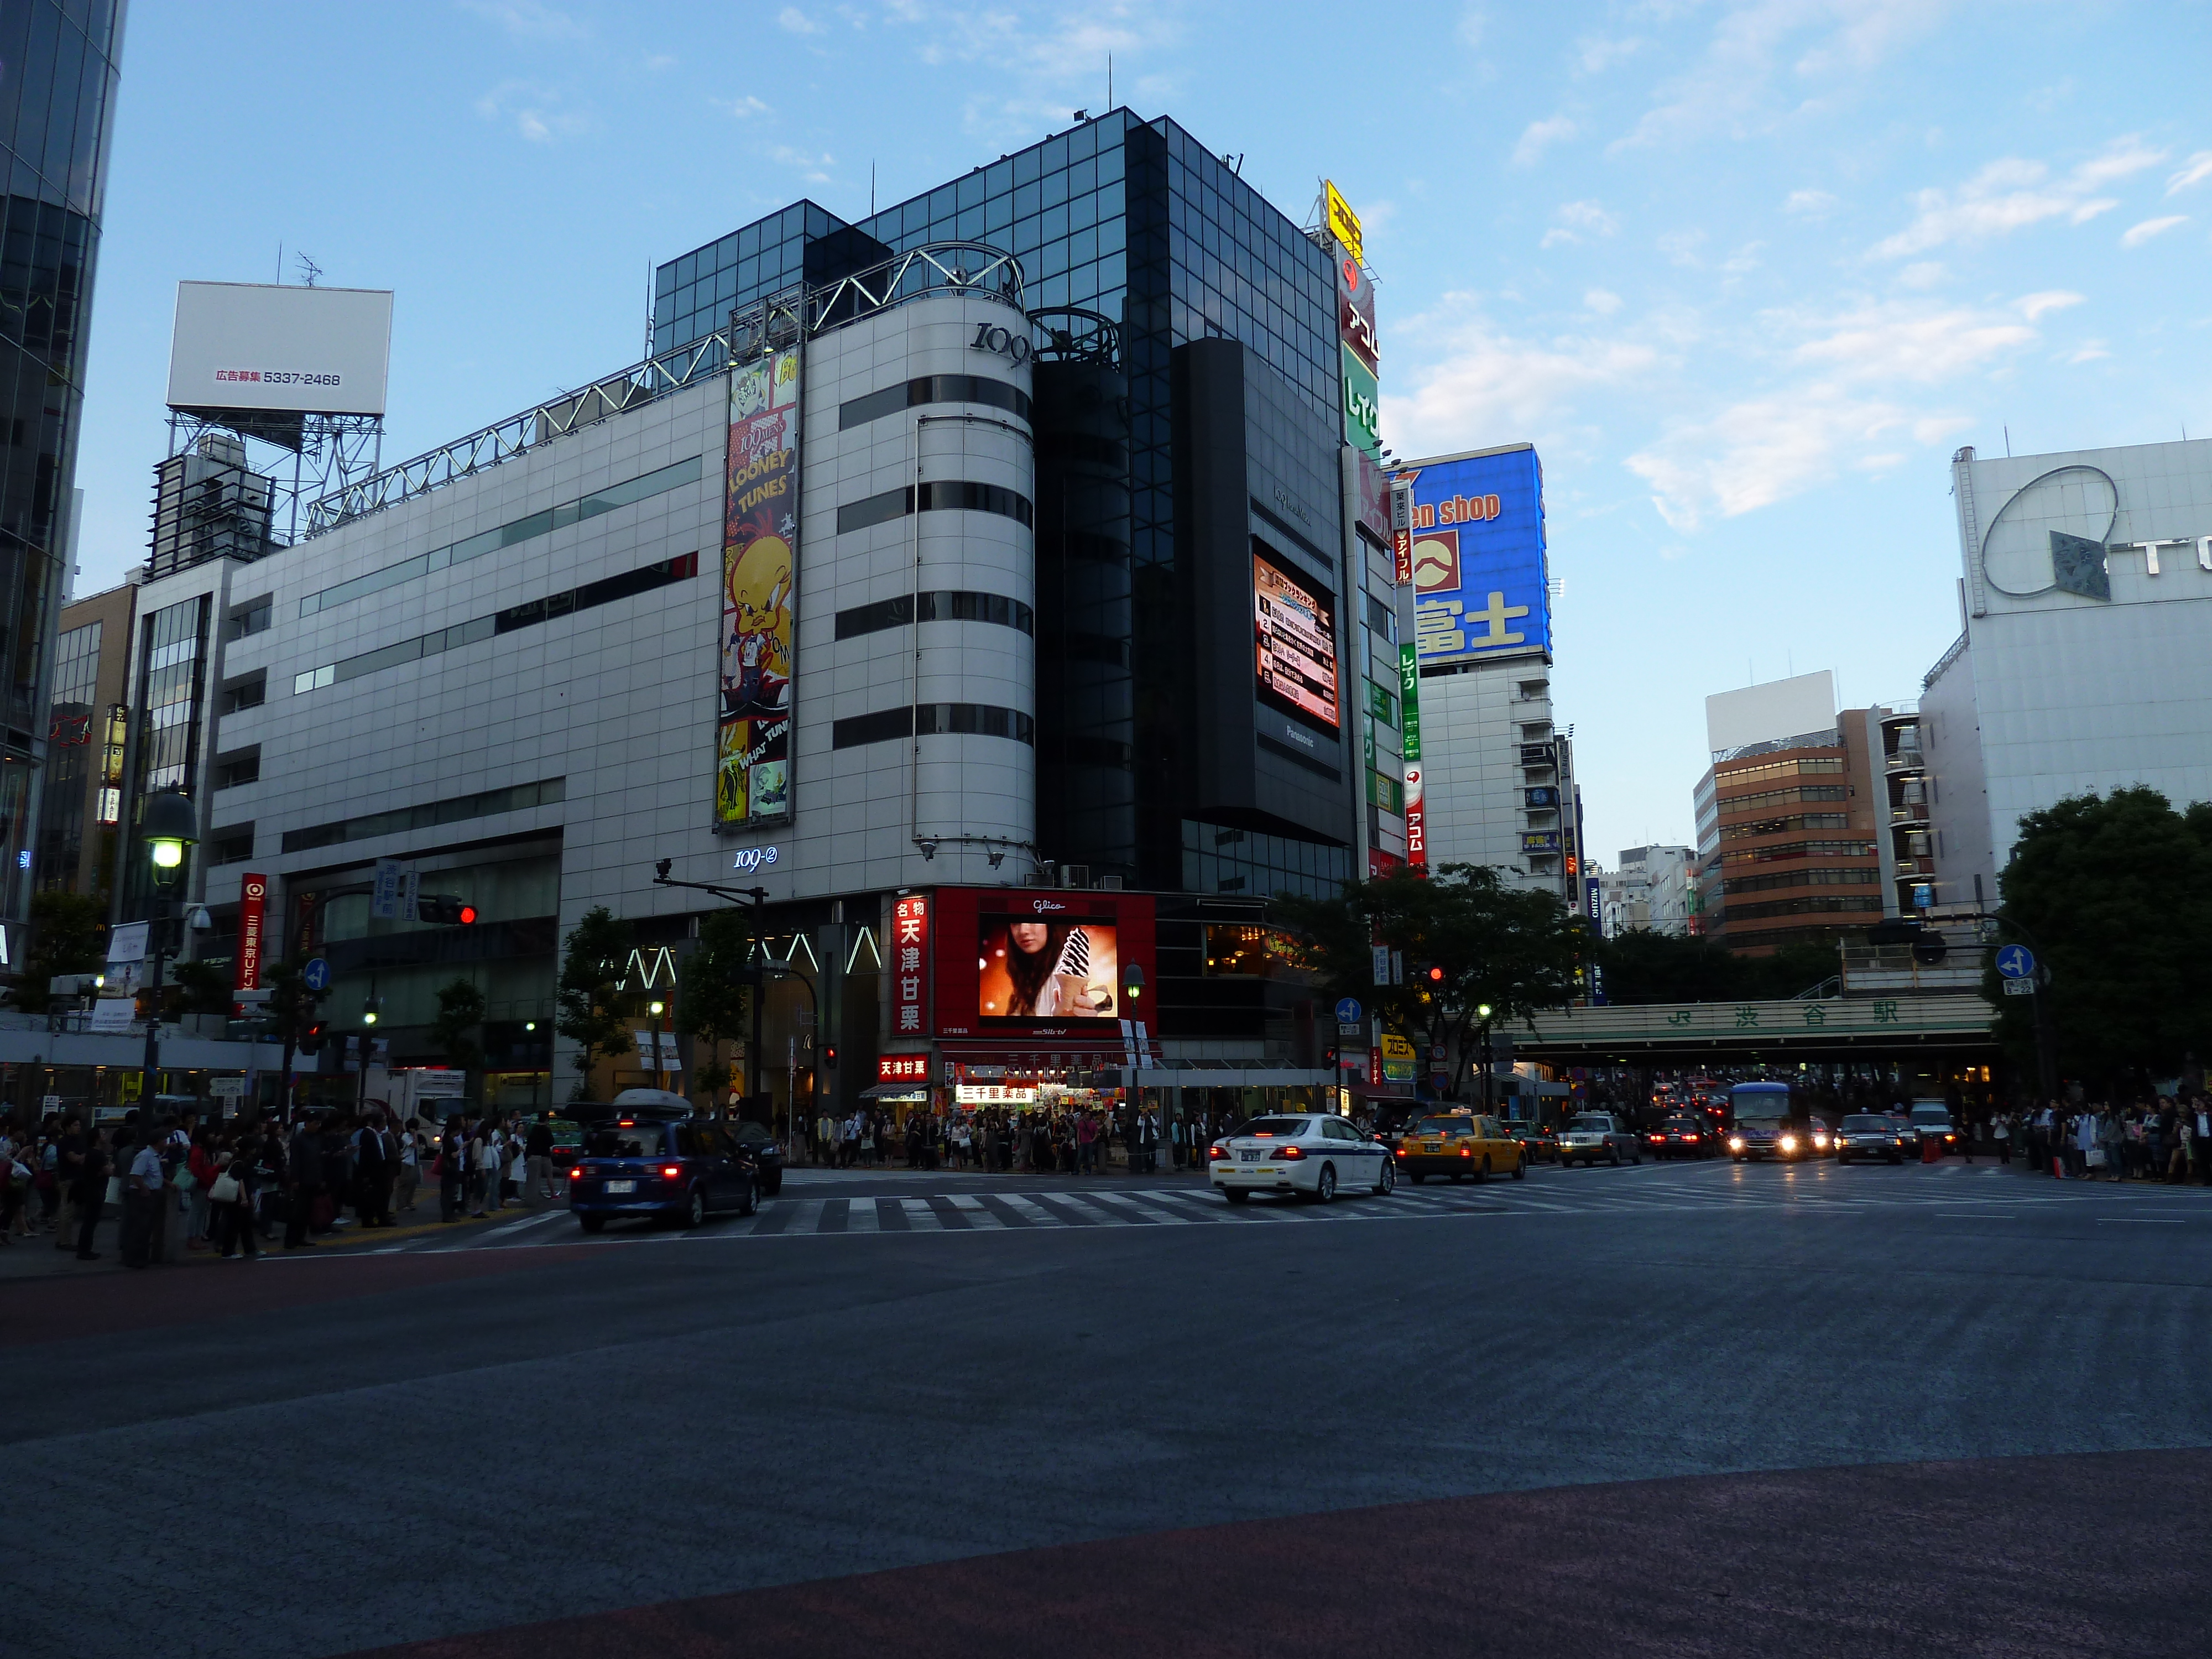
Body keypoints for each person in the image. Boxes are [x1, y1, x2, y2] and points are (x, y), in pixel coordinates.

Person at [119, 1130, 165, 1269]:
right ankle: (134, 1258)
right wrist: (144, 1189)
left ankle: (141, 1257)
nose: (166, 1144)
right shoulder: (146, 1155)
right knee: (140, 1227)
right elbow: (136, 1174)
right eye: (164, 1141)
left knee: (146, 1227)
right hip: (143, 1195)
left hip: (151, 1192)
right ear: (158, 1142)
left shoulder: (154, 1156)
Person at [524, 1117, 554, 1204]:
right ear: (546, 1120)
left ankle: (531, 1198)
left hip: (534, 1155)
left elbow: (529, 1141)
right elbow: (551, 1142)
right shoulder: (547, 1130)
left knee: (533, 1178)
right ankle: (553, 1194)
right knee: (549, 1175)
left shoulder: (533, 1129)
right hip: (545, 1154)